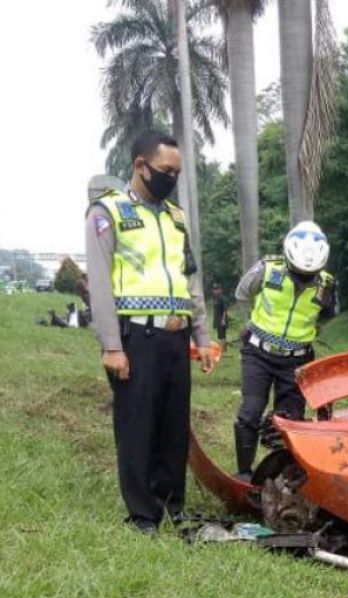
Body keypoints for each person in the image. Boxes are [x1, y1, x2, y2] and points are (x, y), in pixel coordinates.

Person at [85, 130, 215, 534]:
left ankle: (171, 503)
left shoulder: (176, 219)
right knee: (138, 425)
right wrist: (110, 345)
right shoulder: (107, 213)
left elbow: (190, 280)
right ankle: (143, 513)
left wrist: (203, 336)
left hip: (176, 338)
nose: (171, 178)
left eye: (176, 172)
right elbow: (100, 283)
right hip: (135, 339)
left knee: (173, 425)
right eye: (164, 170)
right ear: (140, 166)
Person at [233, 221, 337, 479]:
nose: (304, 278)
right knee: (250, 412)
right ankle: (244, 472)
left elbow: (329, 314)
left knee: (291, 419)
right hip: (258, 353)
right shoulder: (268, 269)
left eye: (309, 274)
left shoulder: (327, 284)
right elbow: (242, 293)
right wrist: (255, 321)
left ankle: (282, 473)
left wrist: (308, 333)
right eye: (299, 272)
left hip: (297, 361)